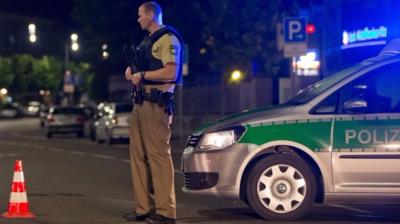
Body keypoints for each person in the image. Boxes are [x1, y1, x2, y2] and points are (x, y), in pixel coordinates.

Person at [124, 1, 183, 224]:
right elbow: (144, 68)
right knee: (138, 157)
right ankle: (144, 208)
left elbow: (171, 70)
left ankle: (166, 212)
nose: (138, 19)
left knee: (158, 156)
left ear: (150, 15)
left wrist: (144, 74)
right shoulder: (146, 41)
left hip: (156, 104)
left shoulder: (168, 38)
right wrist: (133, 72)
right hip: (140, 103)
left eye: (140, 15)